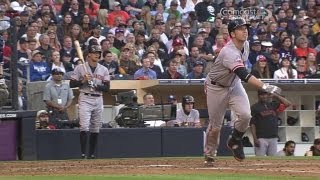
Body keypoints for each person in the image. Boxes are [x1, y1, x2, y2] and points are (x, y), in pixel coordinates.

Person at [203, 18, 282, 165]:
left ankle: (235, 140)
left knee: (246, 116)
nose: (245, 30)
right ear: (232, 33)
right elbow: (244, 75)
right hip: (216, 87)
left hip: (233, 84)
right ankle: (210, 154)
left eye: (245, 28)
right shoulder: (228, 52)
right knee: (215, 127)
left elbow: (240, 75)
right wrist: (265, 86)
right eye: (240, 28)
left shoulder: (246, 44)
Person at [70, 45, 110, 159]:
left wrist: (96, 85)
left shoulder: (104, 69)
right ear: (88, 55)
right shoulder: (80, 68)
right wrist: (83, 80)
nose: (97, 54)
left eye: (98, 53)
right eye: (94, 53)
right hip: (85, 97)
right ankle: (83, 154)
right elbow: (71, 84)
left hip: (98, 98)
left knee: (96, 127)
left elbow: (107, 88)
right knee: (84, 126)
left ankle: (91, 154)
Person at [250, 90, 292, 156]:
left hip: (273, 137)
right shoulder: (254, 107)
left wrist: (276, 95)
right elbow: (252, 124)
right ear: (258, 96)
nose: (264, 96)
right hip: (261, 138)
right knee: (259, 159)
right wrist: (255, 139)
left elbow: (288, 104)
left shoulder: (273, 104)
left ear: (268, 95)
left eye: (265, 94)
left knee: (272, 160)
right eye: (261, 95)